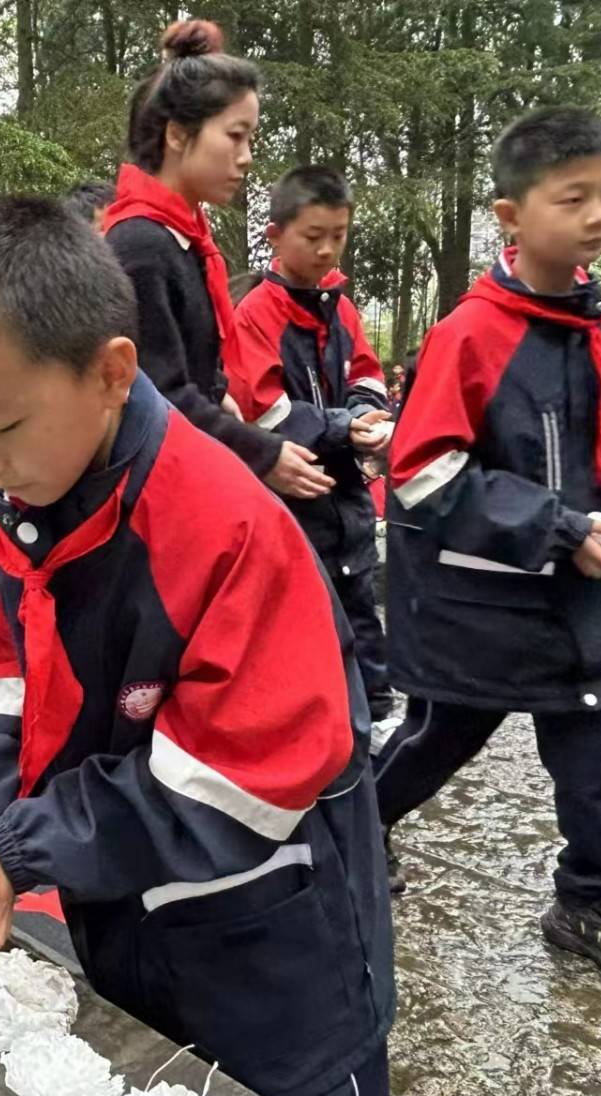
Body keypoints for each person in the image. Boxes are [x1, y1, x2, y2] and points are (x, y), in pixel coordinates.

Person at [0, 195, 394, 1096]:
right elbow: (0, 692)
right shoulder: (24, 493)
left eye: (0, 423)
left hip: (276, 968)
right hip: (134, 932)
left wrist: (24, 842)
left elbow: (238, 782)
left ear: (112, 371)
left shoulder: (224, 523)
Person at [375, 107, 601, 1000]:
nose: (600, 214)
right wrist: (561, 529)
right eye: (573, 196)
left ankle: (586, 903)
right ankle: (354, 828)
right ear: (511, 216)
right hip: (479, 604)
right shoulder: (470, 333)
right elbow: (423, 472)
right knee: (441, 737)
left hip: (580, 602)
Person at [102, 21, 332, 504]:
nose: (246, 158)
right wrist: (262, 453)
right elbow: (159, 395)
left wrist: (221, 394)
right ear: (178, 135)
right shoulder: (141, 246)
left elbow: (193, 376)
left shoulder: (180, 239)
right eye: (235, 136)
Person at [234, 164, 395, 732]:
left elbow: (367, 376)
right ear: (276, 235)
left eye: (339, 235)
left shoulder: (341, 304)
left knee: (360, 611)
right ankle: (324, 735)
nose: (328, 250)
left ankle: (373, 723)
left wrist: (365, 416)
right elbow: (263, 407)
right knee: (303, 623)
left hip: (346, 495)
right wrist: (338, 428)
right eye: (313, 237)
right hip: (292, 499)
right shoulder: (255, 312)